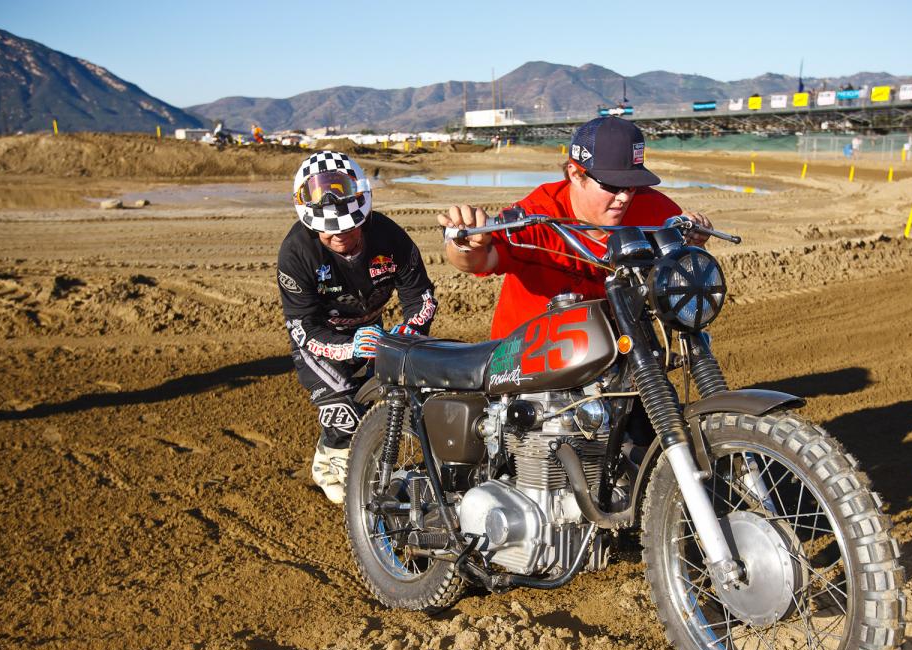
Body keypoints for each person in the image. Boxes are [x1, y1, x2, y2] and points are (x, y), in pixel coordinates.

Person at [437, 117, 710, 340]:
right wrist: (465, 243)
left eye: (632, 185)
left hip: (618, 354)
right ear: (575, 174)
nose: (625, 196)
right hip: (530, 365)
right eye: (613, 186)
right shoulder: (539, 213)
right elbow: (480, 259)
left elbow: (680, 243)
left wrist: (694, 237)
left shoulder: (650, 206)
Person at [278, 151, 438, 502]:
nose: (339, 238)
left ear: (362, 216)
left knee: (397, 398)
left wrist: (409, 332)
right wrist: (349, 347)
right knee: (348, 413)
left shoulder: (390, 237)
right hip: (321, 339)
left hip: (373, 330)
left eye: (348, 229)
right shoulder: (295, 253)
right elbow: (302, 328)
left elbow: (421, 296)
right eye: (328, 232)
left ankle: (363, 462)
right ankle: (329, 458)